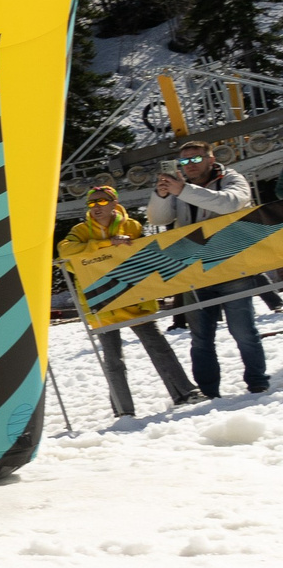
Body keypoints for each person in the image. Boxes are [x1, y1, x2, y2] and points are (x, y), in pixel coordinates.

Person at [61, 184, 199, 417]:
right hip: (101, 301)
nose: (96, 207)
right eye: (92, 203)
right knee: (113, 359)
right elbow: (65, 251)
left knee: (159, 348)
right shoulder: (82, 230)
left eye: (102, 201)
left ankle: (185, 393)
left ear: (115, 203)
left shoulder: (132, 226)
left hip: (134, 298)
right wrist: (106, 244)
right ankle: (123, 411)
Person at [148, 141, 271, 398]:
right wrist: (161, 196)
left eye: (195, 159)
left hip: (231, 266)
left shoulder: (231, 178)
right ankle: (208, 390)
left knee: (243, 331)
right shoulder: (177, 184)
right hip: (195, 270)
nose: (189, 165)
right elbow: (159, 219)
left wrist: (183, 190)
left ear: (210, 159)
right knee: (201, 338)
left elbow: (231, 204)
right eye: (184, 162)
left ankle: (257, 381)